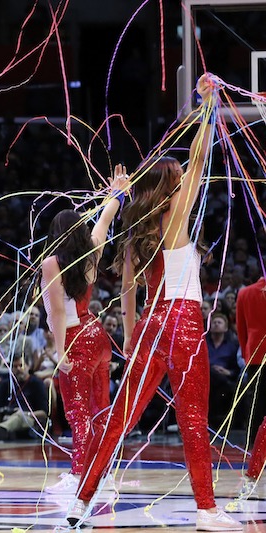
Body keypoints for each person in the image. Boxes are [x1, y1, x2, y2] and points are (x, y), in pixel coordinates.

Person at [67, 74, 241, 531]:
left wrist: (129, 336)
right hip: (182, 322)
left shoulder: (136, 231)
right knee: (192, 419)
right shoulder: (174, 216)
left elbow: (128, 294)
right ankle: (206, 510)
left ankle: (81, 499)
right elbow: (201, 158)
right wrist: (208, 108)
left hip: (149, 325)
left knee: (121, 418)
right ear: (170, 188)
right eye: (179, 179)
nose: (186, 180)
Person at [40, 167, 125, 494]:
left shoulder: (52, 262)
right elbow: (105, 221)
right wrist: (115, 194)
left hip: (76, 337)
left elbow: (59, 312)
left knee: (78, 413)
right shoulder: (91, 251)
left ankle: (81, 476)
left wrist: (60, 353)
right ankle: (103, 474)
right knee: (100, 408)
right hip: (98, 335)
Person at [235, 276, 266, 501]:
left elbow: (241, 329)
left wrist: (247, 354)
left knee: (257, 412)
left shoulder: (245, 293)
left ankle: (254, 462)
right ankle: (254, 470)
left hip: (255, 354)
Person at [0, 348, 49, 440]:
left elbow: (44, 413)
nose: (18, 369)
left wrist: (27, 414)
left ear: (28, 366)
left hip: (28, 417)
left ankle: (0, 430)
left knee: (19, 416)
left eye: (21, 365)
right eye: (15, 366)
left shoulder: (36, 383)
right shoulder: (6, 384)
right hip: (9, 413)